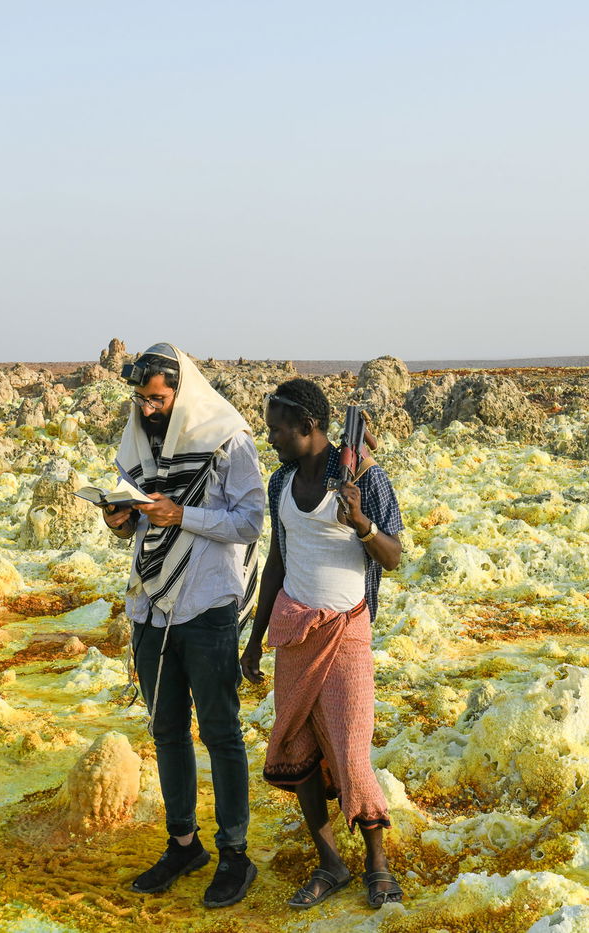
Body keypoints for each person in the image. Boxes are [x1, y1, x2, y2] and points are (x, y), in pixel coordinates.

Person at [103, 343, 264, 908]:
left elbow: (250, 521)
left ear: (181, 392)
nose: (147, 410)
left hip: (207, 606)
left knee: (221, 734)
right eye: (141, 400)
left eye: (156, 399)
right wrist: (120, 518)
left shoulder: (227, 439)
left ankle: (235, 856)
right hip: (150, 606)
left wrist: (182, 515)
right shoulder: (139, 442)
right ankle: (183, 844)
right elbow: (133, 525)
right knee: (166, 730)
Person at [240, 378, 405, 909]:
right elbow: (278, 562)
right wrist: (254, 638)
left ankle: (377, 863)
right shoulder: (280, 482)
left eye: (278, 429)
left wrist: (360, 523)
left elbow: (394, 555)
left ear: (308, 427)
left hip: (346, 630)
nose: (272, 438)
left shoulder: (362, 477)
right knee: (298, 746)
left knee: (353, 749)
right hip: (293, 633)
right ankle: (330, 862)